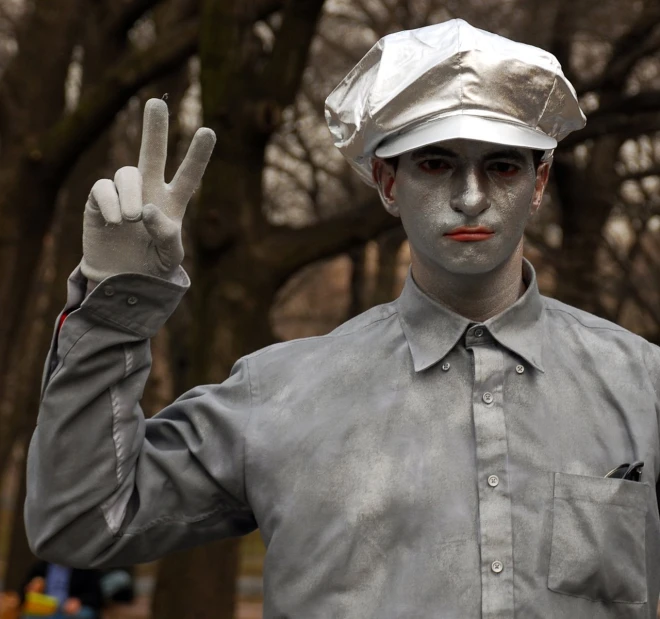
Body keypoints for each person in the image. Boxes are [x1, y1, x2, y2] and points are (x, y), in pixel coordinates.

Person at [25, 18, 660, 618]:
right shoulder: (278, 395)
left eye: (502, 165)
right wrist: (115, 311)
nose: (471, 197)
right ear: (387, 182)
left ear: (540, 181)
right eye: (436, 163)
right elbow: (80, 523)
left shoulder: (643, 386)